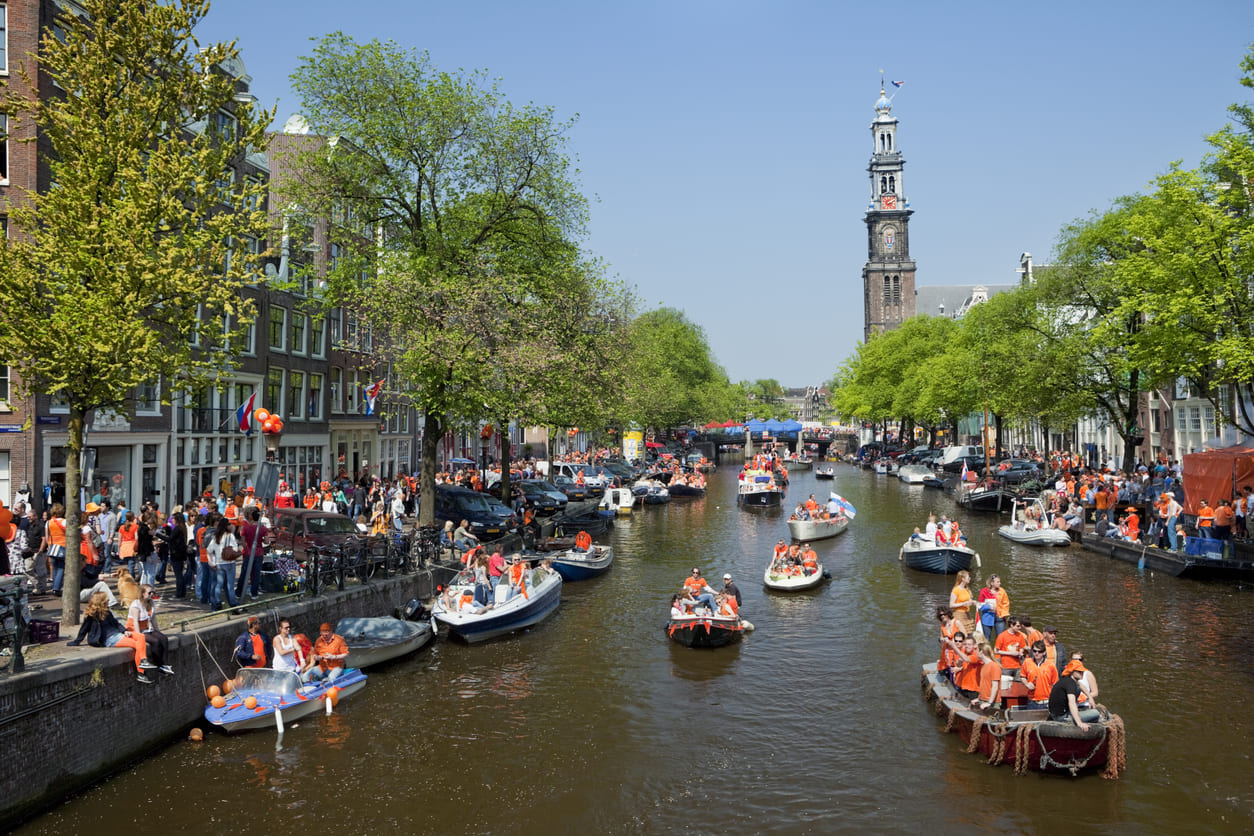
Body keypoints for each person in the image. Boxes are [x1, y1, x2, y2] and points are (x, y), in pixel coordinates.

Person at [68, 590, 154, 684]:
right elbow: (83, 629)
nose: (109, 601)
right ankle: (141, 673)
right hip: (109, 639)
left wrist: (124, 631)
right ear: (101, 601)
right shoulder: (91, 615)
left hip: (118, 634)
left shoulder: (107, 612)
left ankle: (143, 662)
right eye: (106, 600)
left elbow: (116, 623)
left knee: (141, 636)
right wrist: (77, 641)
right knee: (136, 644)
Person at [127, 584, 173, 675]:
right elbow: (135, 621)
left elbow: (153, 619)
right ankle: (159, 664)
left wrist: (157, 630)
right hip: (134, 630)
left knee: (163, 638)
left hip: (146, 629)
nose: (152, 594)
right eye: (149, 592)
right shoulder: (136, 604)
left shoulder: (151, 602)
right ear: (142, 593)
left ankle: (165, 664)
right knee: (155, 641)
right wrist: (138, 635)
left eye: (153, 592)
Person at [1048, 660, 1101, 730]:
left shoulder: (1067, 680)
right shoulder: (1070, 684)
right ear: (1072, 671)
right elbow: (1072, 703)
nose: (1082, 673)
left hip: (1055, 714)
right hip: (1062, 717)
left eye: (1082, 671)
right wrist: (1079, 723)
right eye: (1079, 671)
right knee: (1095, 713)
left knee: (1078, 687)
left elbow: (1080, 685)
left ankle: (1074, 717)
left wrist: (1090, 697)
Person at [206, 517, 239, 611]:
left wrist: (211, 561)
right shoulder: (230, 536)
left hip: (219, 563)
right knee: (230, 586)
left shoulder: (216, 536)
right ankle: (233, 604)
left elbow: (209, 550)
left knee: (218, 584)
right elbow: (235, 549)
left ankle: (218, 602)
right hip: (229, 563)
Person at [236, 506, 269, 599]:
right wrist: (261, 540)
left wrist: (246, 548)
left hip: (248, 552)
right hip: (259, 552)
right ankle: (254, 593)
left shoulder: (245, 528)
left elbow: (243, 542)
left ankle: (239, 592)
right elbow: (267, 541)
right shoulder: (262, 528)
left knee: (244, 573)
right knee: (256, 574)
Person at [1019, 641, 1059, 709]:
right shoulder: (1027, 662)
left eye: (1039, 651)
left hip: (1046, 701)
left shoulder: (1051, 665)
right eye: (1034, 651)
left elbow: (1055, 684)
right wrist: (1026, 683)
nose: (1037, 653)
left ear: (1044, 652)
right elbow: (1022, 676)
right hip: (1031, 701)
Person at [970, 643, 1003, 711]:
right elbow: (984, 684)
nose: (975, 652)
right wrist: (979, 698)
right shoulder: (984, 666)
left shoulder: (994, 666)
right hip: (983, 700)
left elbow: (995, 686)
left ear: (981, 652)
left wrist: (989, 702)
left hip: (992, 702)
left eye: (977, 650)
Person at [949, 569, 975, 637]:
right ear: (963, 579)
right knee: (962, 635)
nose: (970, 578)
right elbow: (951, 605)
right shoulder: (956, 590)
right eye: (968, 577)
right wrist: (963, 604)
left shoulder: (967, 589)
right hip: (959, 614)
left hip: (967, 614)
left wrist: (972, 602)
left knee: (969, 635)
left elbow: (968, 600)